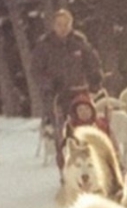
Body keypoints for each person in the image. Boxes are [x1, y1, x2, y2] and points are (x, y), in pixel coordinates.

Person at [32, 9, 104, 168]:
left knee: (87, 125)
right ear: (54, 26)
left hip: (79, 91)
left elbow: (92, 63)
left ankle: (91, 163)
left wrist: (95, 79)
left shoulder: (79, 42)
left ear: (71, 24)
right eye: (59, 24)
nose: (63, 28)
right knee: (61, 132)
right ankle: (64, 167)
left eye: (66, 24)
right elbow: (36, 72)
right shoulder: (44, 45)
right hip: (57, 95)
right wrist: (49, 84)